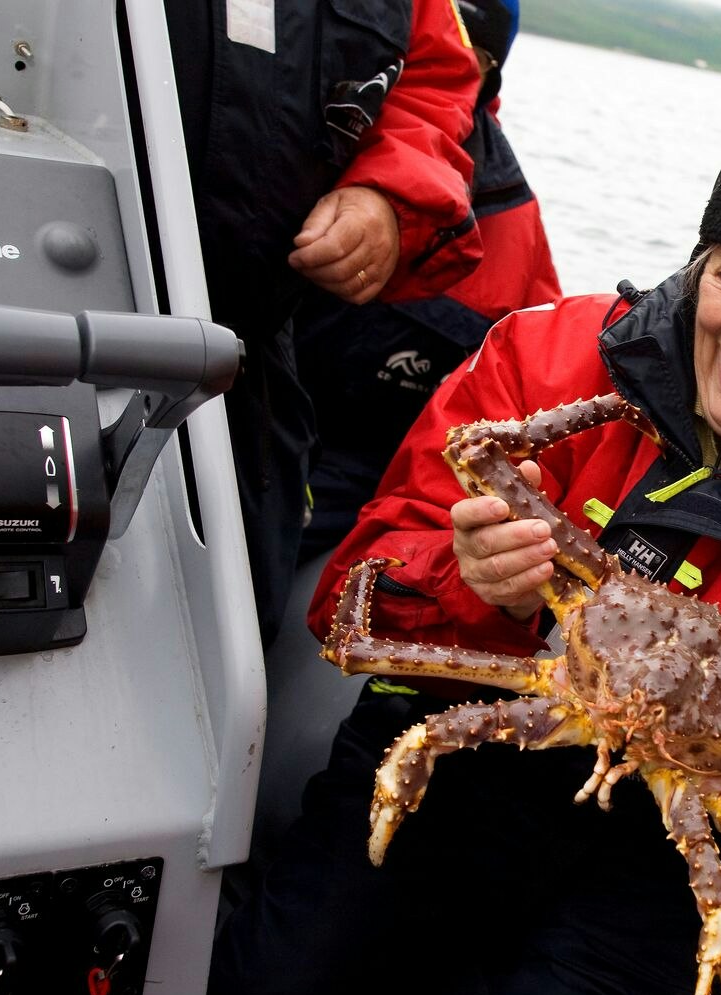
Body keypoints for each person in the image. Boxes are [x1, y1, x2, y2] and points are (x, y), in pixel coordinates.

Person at [200, 123, 721, 995]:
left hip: (668, 850)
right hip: (476, 744)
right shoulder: (550, 356)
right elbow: (347, 605)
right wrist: (470, 583)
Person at [162, 0, 485, 645]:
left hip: (249, 378)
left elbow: (433, 84)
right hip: (26, 325)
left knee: (234, 626)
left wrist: (388, 195)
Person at [293, 0, 561, 561]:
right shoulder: (287, 135)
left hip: (372, 472)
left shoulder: (508, 214)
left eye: (476, 55)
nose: (456, 64)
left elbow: (536, 387)